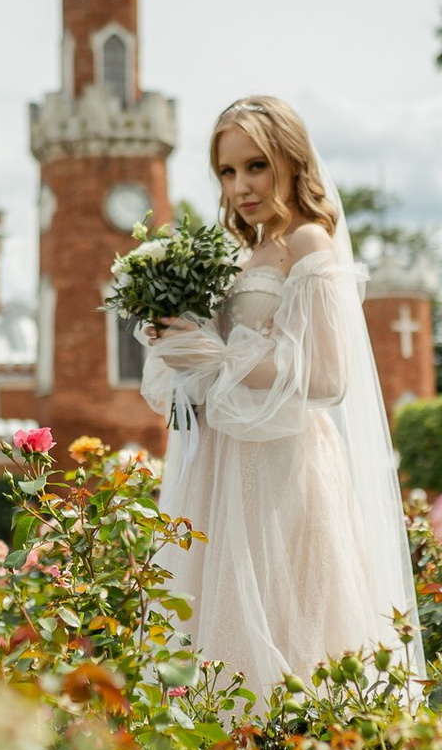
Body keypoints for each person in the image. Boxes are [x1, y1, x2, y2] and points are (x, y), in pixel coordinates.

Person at [139, 97, 419, 696]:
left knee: (288, 624)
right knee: (213, 629)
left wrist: (216, 356)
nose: (241, 185)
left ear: (291, 160)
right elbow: (223, 361)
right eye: (227, 171)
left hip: (282, 462)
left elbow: (326, 376)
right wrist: (177, 340)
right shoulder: (240, 254)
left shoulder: (310, 243)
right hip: (219, 461)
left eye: (256, 165)